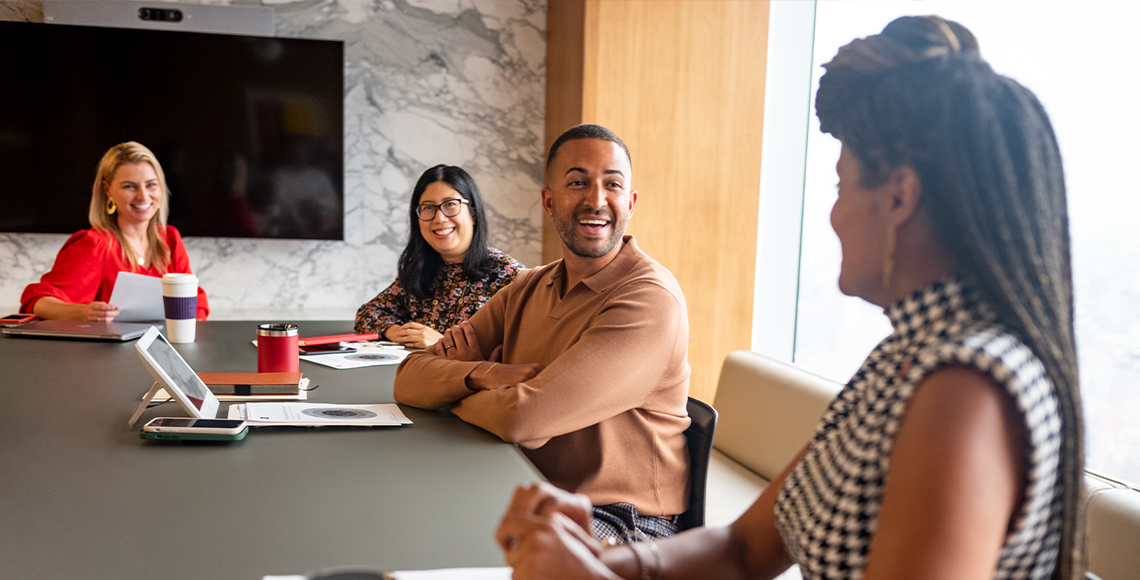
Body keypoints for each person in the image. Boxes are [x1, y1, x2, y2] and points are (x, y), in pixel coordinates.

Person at [494, 16, 1087, 580]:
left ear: (899, 199)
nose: (832, 213)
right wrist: (603, 563)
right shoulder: (905, 360)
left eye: (840, 183)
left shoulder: (964, 389)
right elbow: (743, 547)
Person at [394, 125, 692, 543]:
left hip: (623, 518)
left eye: (613, 185)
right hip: (526, 483)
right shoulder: (530, 286)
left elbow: (522, 417)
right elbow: (408, 379)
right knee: (406, 522)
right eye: (577, 183)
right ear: (549, 201)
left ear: (631, 202)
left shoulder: (649, 300)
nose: (596, 200)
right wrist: (484, 375)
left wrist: (452, 393)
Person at [21, 142, 209, 321]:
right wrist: (82, 313)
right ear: (108, 189)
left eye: (151, 184)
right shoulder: (96, 245)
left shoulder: (170, 240)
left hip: (165, 351)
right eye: (129, 186)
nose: (143, 196)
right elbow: (37, 301)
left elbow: (197, 304)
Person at [354, 165, 523, 348]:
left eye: (450, 204)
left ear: (473, 214)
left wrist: (444, 343)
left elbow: (521, 348)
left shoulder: (509, 275)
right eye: (428, 207)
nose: (439, 218)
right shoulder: (422, 269)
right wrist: (400, 333)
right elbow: (368, 313)